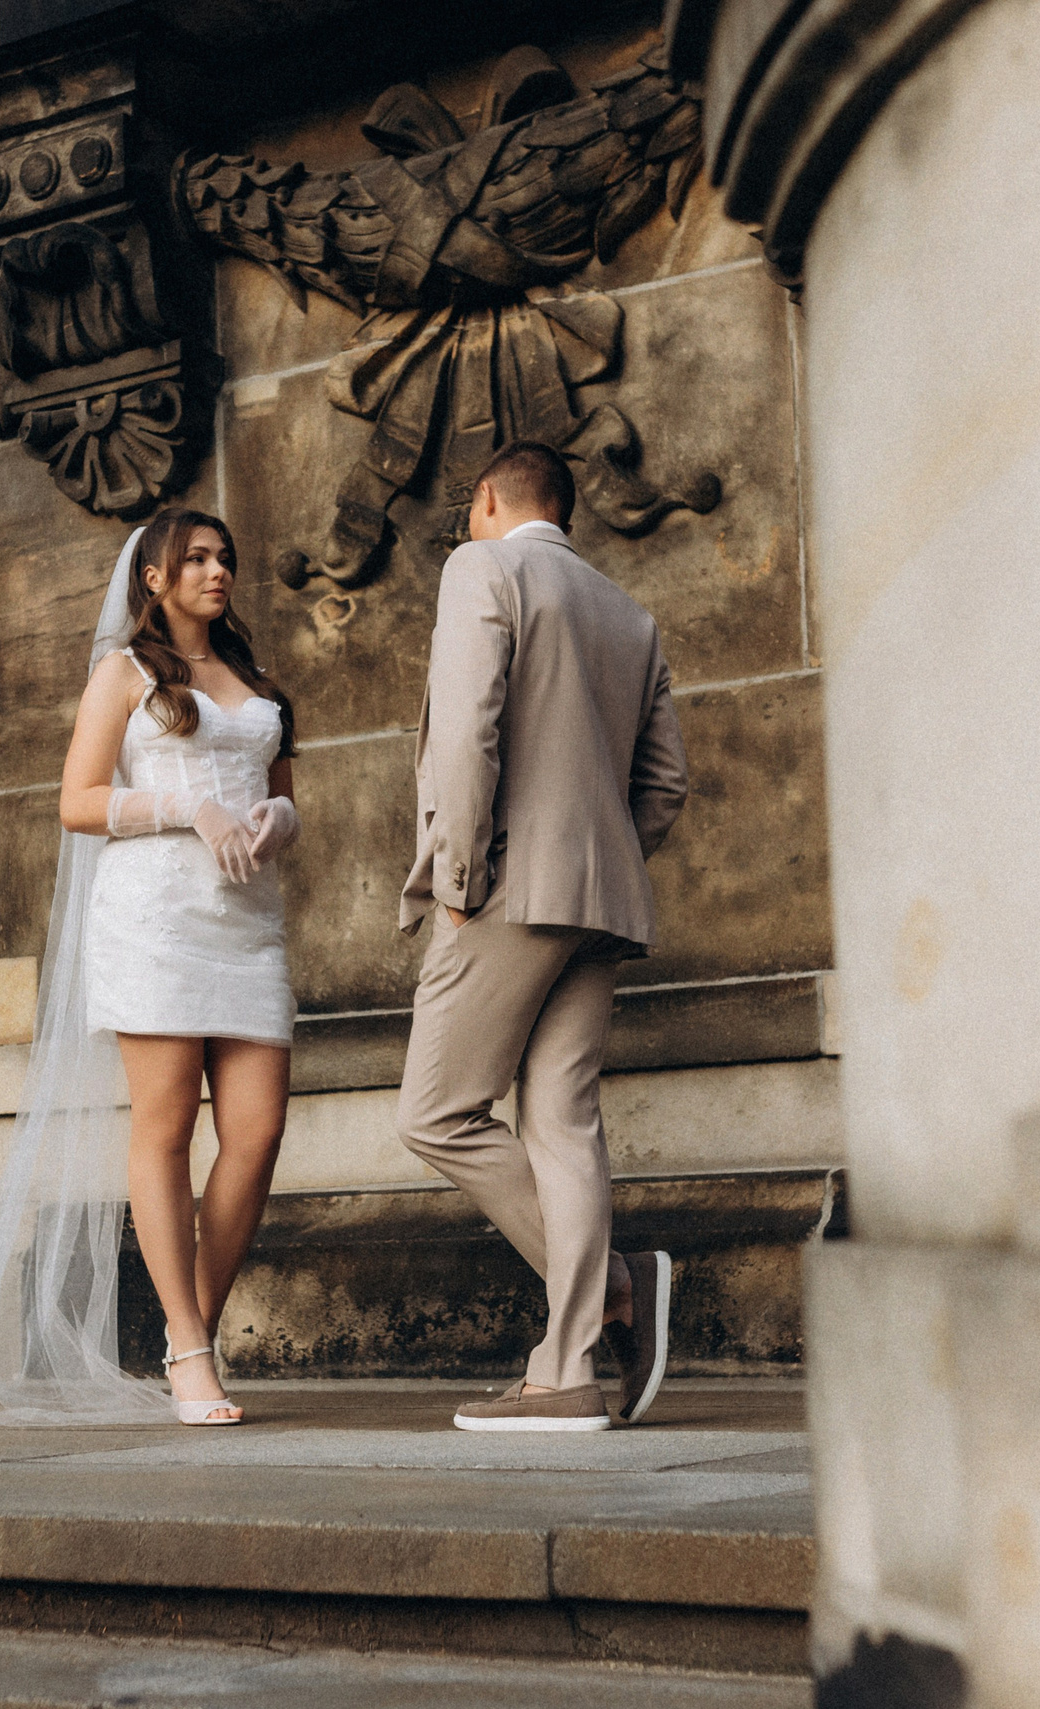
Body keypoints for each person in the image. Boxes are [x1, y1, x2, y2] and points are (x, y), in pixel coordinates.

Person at [0, 510, 299, 1428]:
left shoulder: (256, 681)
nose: (219, 572)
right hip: (156, 921)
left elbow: (283, 792)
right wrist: (188, 807)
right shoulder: (124, 675)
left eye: (226, 557)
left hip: (248, 926)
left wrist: (276, 821)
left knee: (255, 1135)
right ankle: (189, 1344)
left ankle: (192, 1331)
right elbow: (76, 801)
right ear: (154, 579)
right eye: (199, 559)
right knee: (167, 1126)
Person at [398, 443, 690, 1433]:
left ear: (485, 497)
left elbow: (467, 728)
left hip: (507, 886)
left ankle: (608, 1287)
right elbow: (663, 788)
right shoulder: (630, 613)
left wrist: (461, 874)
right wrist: (600, 855)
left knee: (436, 1113)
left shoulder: (482, 567)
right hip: (601, 896)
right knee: (560, 1121)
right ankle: (566, 1369)